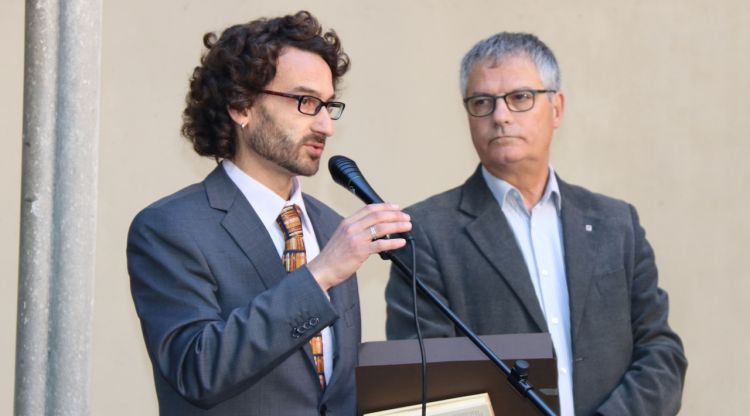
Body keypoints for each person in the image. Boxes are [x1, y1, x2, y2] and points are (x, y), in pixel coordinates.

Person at [385, 32, 687, 416]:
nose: (500, 116)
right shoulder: (426, 234)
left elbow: (661, 352)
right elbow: (428, 382)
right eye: (482, 102)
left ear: (557, 107)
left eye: (520, 97)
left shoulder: (616, 223)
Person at [127, 11, 411, 415]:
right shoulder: (170, 228)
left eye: (329, 105)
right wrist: (320, 274)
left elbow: (334, 389)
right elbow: (197, 368)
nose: (326, 126)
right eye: (306, 102)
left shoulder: (330, 226)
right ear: (241, 105)